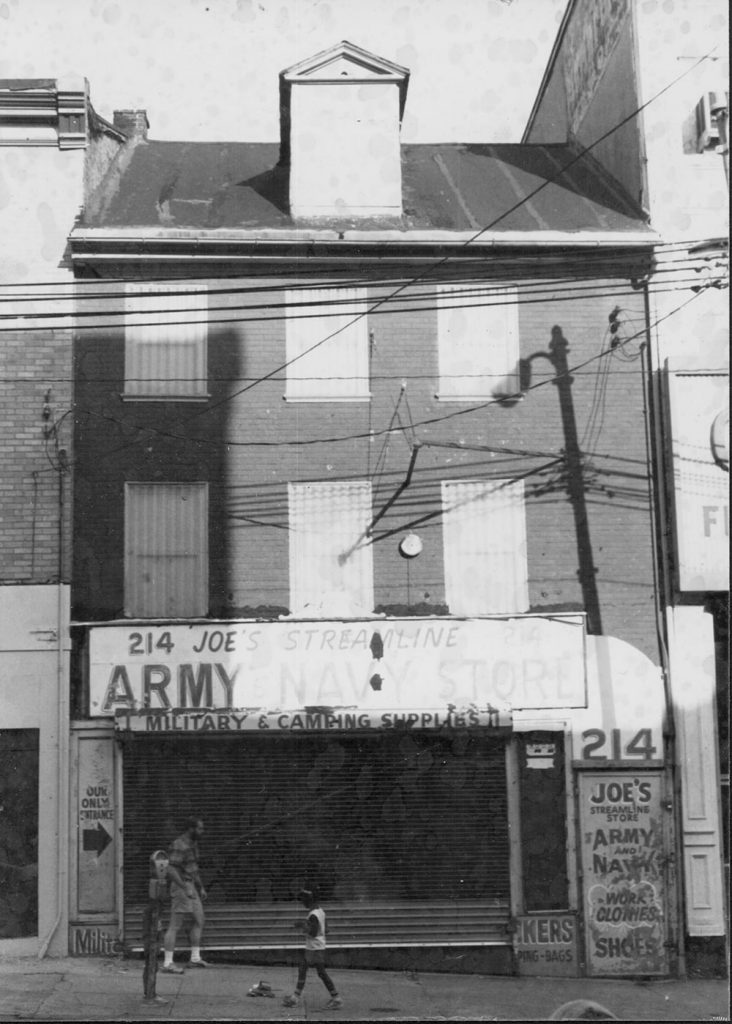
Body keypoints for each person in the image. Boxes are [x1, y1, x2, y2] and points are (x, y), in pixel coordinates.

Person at [161, 816, 211, 972]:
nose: (202, 832)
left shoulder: (193, 844)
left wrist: (200, 887)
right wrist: (184, 887)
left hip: (191, 885)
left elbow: (193, 867)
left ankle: (195, 958)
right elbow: (170, 869)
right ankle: (168, 963)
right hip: (181, 886)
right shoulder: (179, 845)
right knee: (175, 925)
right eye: (200, 828)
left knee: (199, 919)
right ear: (191, 829)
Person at [282, 888, 342, 1009]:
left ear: (309, 900)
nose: (302, 902)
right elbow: (326, 930)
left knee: (312, 971)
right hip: (317, 947)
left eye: (303, 899)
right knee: (311, 971)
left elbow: (313, 933)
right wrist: (307, 925)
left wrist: (302, 926)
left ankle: (336, 999)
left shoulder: (313, 915)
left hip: (314, 948)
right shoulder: (321, 911)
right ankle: (296, 997)